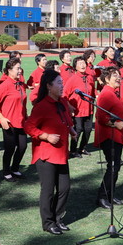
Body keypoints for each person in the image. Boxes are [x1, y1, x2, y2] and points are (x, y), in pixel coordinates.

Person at [24, 69, 77, 235]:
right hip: (46, 155)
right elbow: (28, 126)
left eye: (62, 82)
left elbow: (67, 121)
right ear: (48, 86)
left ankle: (57, 218)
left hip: (61, 154)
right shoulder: (41, 107)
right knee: (48, 190)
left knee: (64, 188)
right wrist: (45, 136)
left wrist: (72, 130)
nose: (63, 86)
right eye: (59, 83)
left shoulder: (61, 103)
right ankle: (48, 223)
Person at [94, 67, 123, 209]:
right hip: (109, 137)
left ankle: (110, 194)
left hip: (116, 136)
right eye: (115, 76)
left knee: (116, 166)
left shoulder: (113, 93)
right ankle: (102, 196)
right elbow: (100, 116)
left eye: (119, 75)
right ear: (107, 79)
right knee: (113, 166)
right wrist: (115, 123)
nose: (118, 78)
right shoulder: (106, 94)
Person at [0, 57, 28, 182]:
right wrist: (1, 118)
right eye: (17, 68)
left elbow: (23, 104)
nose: (20, 71)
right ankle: (6, 171)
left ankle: (15, 168)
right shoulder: (5, 85)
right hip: (9, 122)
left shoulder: (21, 84)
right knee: (10, 148)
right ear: (9, 70)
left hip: (21, 122)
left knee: (23, 147)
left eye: (20, 68)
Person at [63, 56, 94, 158]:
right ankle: (73, 150)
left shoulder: (89, 77)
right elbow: (64, 95)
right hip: (77, 111)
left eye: (84, 63)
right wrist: (69, 106)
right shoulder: (72, 79)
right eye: (80, 63)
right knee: (78, 130)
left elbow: (92, 93)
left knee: (88, 129)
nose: (83, 65)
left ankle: (82, 148)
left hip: (89, 110)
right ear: (75, 67)